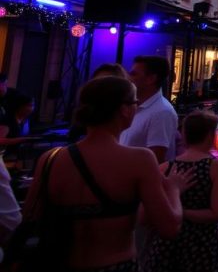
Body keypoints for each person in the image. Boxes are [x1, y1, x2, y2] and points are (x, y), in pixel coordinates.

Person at [22, 76, 186, 270]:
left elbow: (31, 216)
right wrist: (174, 189)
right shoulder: (140, 159)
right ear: (124, 110)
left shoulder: (50, 159)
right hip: (115, 263)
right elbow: (169, 227)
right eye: (135, 102)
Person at [144, 111, 218, 272]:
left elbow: (145, 215)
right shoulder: (215, 167)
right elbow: (217, 213)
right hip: (201, 244)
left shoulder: (164, 168)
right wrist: (184, 213)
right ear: (210, 135)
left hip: (167, 243)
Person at [121, 56, 178, 162]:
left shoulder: (162, 112)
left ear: (151, 79)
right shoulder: (133, 106)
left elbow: (155, 160)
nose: (128, 78)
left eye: (133, 74)